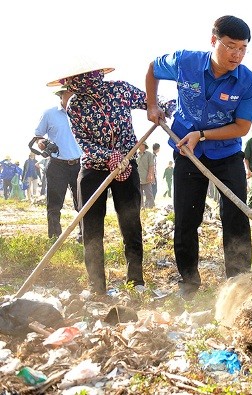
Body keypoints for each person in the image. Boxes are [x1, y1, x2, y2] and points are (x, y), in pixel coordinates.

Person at [146, 15, 252, 298]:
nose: (237, 54)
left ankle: (238, 283)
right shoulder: (185, 62)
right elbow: (152, 69)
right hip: (187, 151)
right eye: (231, 46)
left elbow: (242, 127)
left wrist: (204, 135)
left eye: (243, 48)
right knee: (186, 218)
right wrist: (152, 105)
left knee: (235, 216)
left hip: (227, 153)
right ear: (213, 41)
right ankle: (189, 283)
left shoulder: (248, 81)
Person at [48, 62, 173, 296]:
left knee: (131, 224)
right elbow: (84, 144)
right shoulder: (75, 105)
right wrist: (109, 156)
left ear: (96, 74)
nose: (81, 84)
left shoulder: (120, 90)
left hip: (127, 165)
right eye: (76, 80)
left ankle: (136, 282)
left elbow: (149, 101)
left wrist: (162, 107)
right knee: (91, 229)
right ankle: (97, 287)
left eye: (85, 77)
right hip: (94, 170)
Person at [34, 86, 83, 240]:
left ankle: (84, 235)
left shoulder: (82, 113)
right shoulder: (49, 114)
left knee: (83, 203)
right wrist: (42, 142)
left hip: (79, 164)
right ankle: (55, 237)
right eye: (70, 93)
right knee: (54, 205)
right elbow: (38, 136)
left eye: (76, 93)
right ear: (61, 95)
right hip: (56, 164)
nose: (74, 96)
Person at [137, 142, 155, 208]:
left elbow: (151, 166)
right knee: (139, 194)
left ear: (144, 146)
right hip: (138, 177)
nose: (139, 146)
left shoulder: (149, 155)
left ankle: (150, 207)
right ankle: (141, 207)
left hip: (146, 177)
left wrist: (150, 175)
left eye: (141, 144)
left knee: (149, 194)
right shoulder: (136, 154)